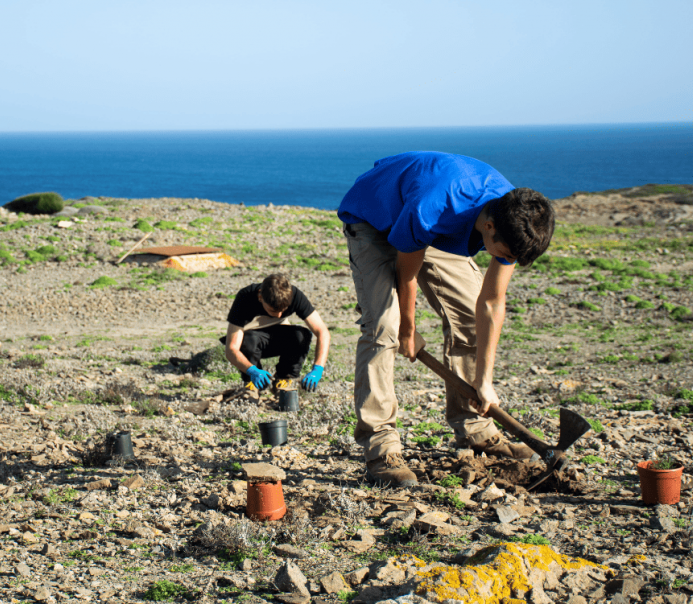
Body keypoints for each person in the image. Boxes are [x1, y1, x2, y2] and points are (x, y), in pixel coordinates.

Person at [337, 151, 555, 486]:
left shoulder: (514, 217)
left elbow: (491, 303)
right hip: (375, 218)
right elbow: (405, 275)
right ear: (489, 226)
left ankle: (475, 428)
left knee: (469, 315)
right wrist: (408, 330)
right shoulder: (434, 207)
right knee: (385, 327)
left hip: (431, 225)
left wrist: (484, 381)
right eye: (507, 255)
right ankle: (380, 446)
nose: (506, 260)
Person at [223, 273, 331, 394]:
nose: (279, 315)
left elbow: (323, 332)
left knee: (302, 335)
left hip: (279, 336)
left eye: (282, 310)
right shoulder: (245, 298)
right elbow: (231, 349)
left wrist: (318, 369)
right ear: (260, 297)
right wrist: (251, 370)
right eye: (273, 310)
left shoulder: (294, 295)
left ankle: (284, 380)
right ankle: (252, 385)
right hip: (252, 339)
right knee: (248, 340)